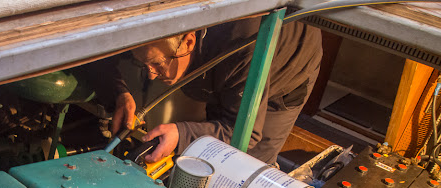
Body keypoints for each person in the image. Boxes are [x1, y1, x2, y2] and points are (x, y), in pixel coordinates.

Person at [108, 17, 322, 165]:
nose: (152, 75)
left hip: (288, 75)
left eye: (158, 64)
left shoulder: (240, 47)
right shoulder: (160, 32)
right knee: (209, 144)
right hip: (229, 72)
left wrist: (182, 133)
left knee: (246, 170)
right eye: (144, 64)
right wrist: (121, 93)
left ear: (188, 42)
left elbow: (246, 133)